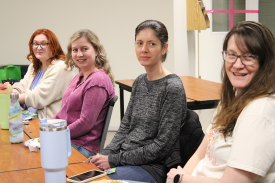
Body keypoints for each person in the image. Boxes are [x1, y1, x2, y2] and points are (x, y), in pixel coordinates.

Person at [167, 21, 275, 183]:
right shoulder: (230, 101)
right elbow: (200, 154)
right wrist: (180, 178)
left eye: (248, 56)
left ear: (265, 62)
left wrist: (181, 179)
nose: (237, 65)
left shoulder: (259, 111)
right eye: (232, 55)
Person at [90, 20, 187, 183]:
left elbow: (161, 147)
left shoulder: (172, 87)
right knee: (81, 173)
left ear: (164, 48)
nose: (144, 49)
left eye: (152, 44)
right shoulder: (140, 81)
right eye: (139, 43)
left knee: (97, 181)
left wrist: (114, 160)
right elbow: (126, 126)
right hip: (125, 160)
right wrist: (106, 154)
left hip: (152, 167)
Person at [53, 29, 115, 158]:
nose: (79, 54)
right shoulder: (80, 75)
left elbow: (85, 123)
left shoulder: (97, 80)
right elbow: (64, 111)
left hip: (82, 146)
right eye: (75, 50)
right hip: (68, 138)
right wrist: (48, 126)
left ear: (96, 50)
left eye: (84, 49)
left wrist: (57, 134)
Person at [13, 29, 76, 119]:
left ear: (53, 46)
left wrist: (11, 98)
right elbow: (22, 85)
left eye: (43, 44)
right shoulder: (34, 66)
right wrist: (14, 92)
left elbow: (38, 97)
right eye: (35, 43)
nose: (39, 47)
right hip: (29, 120)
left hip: (50, 125)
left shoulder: (62, 67)